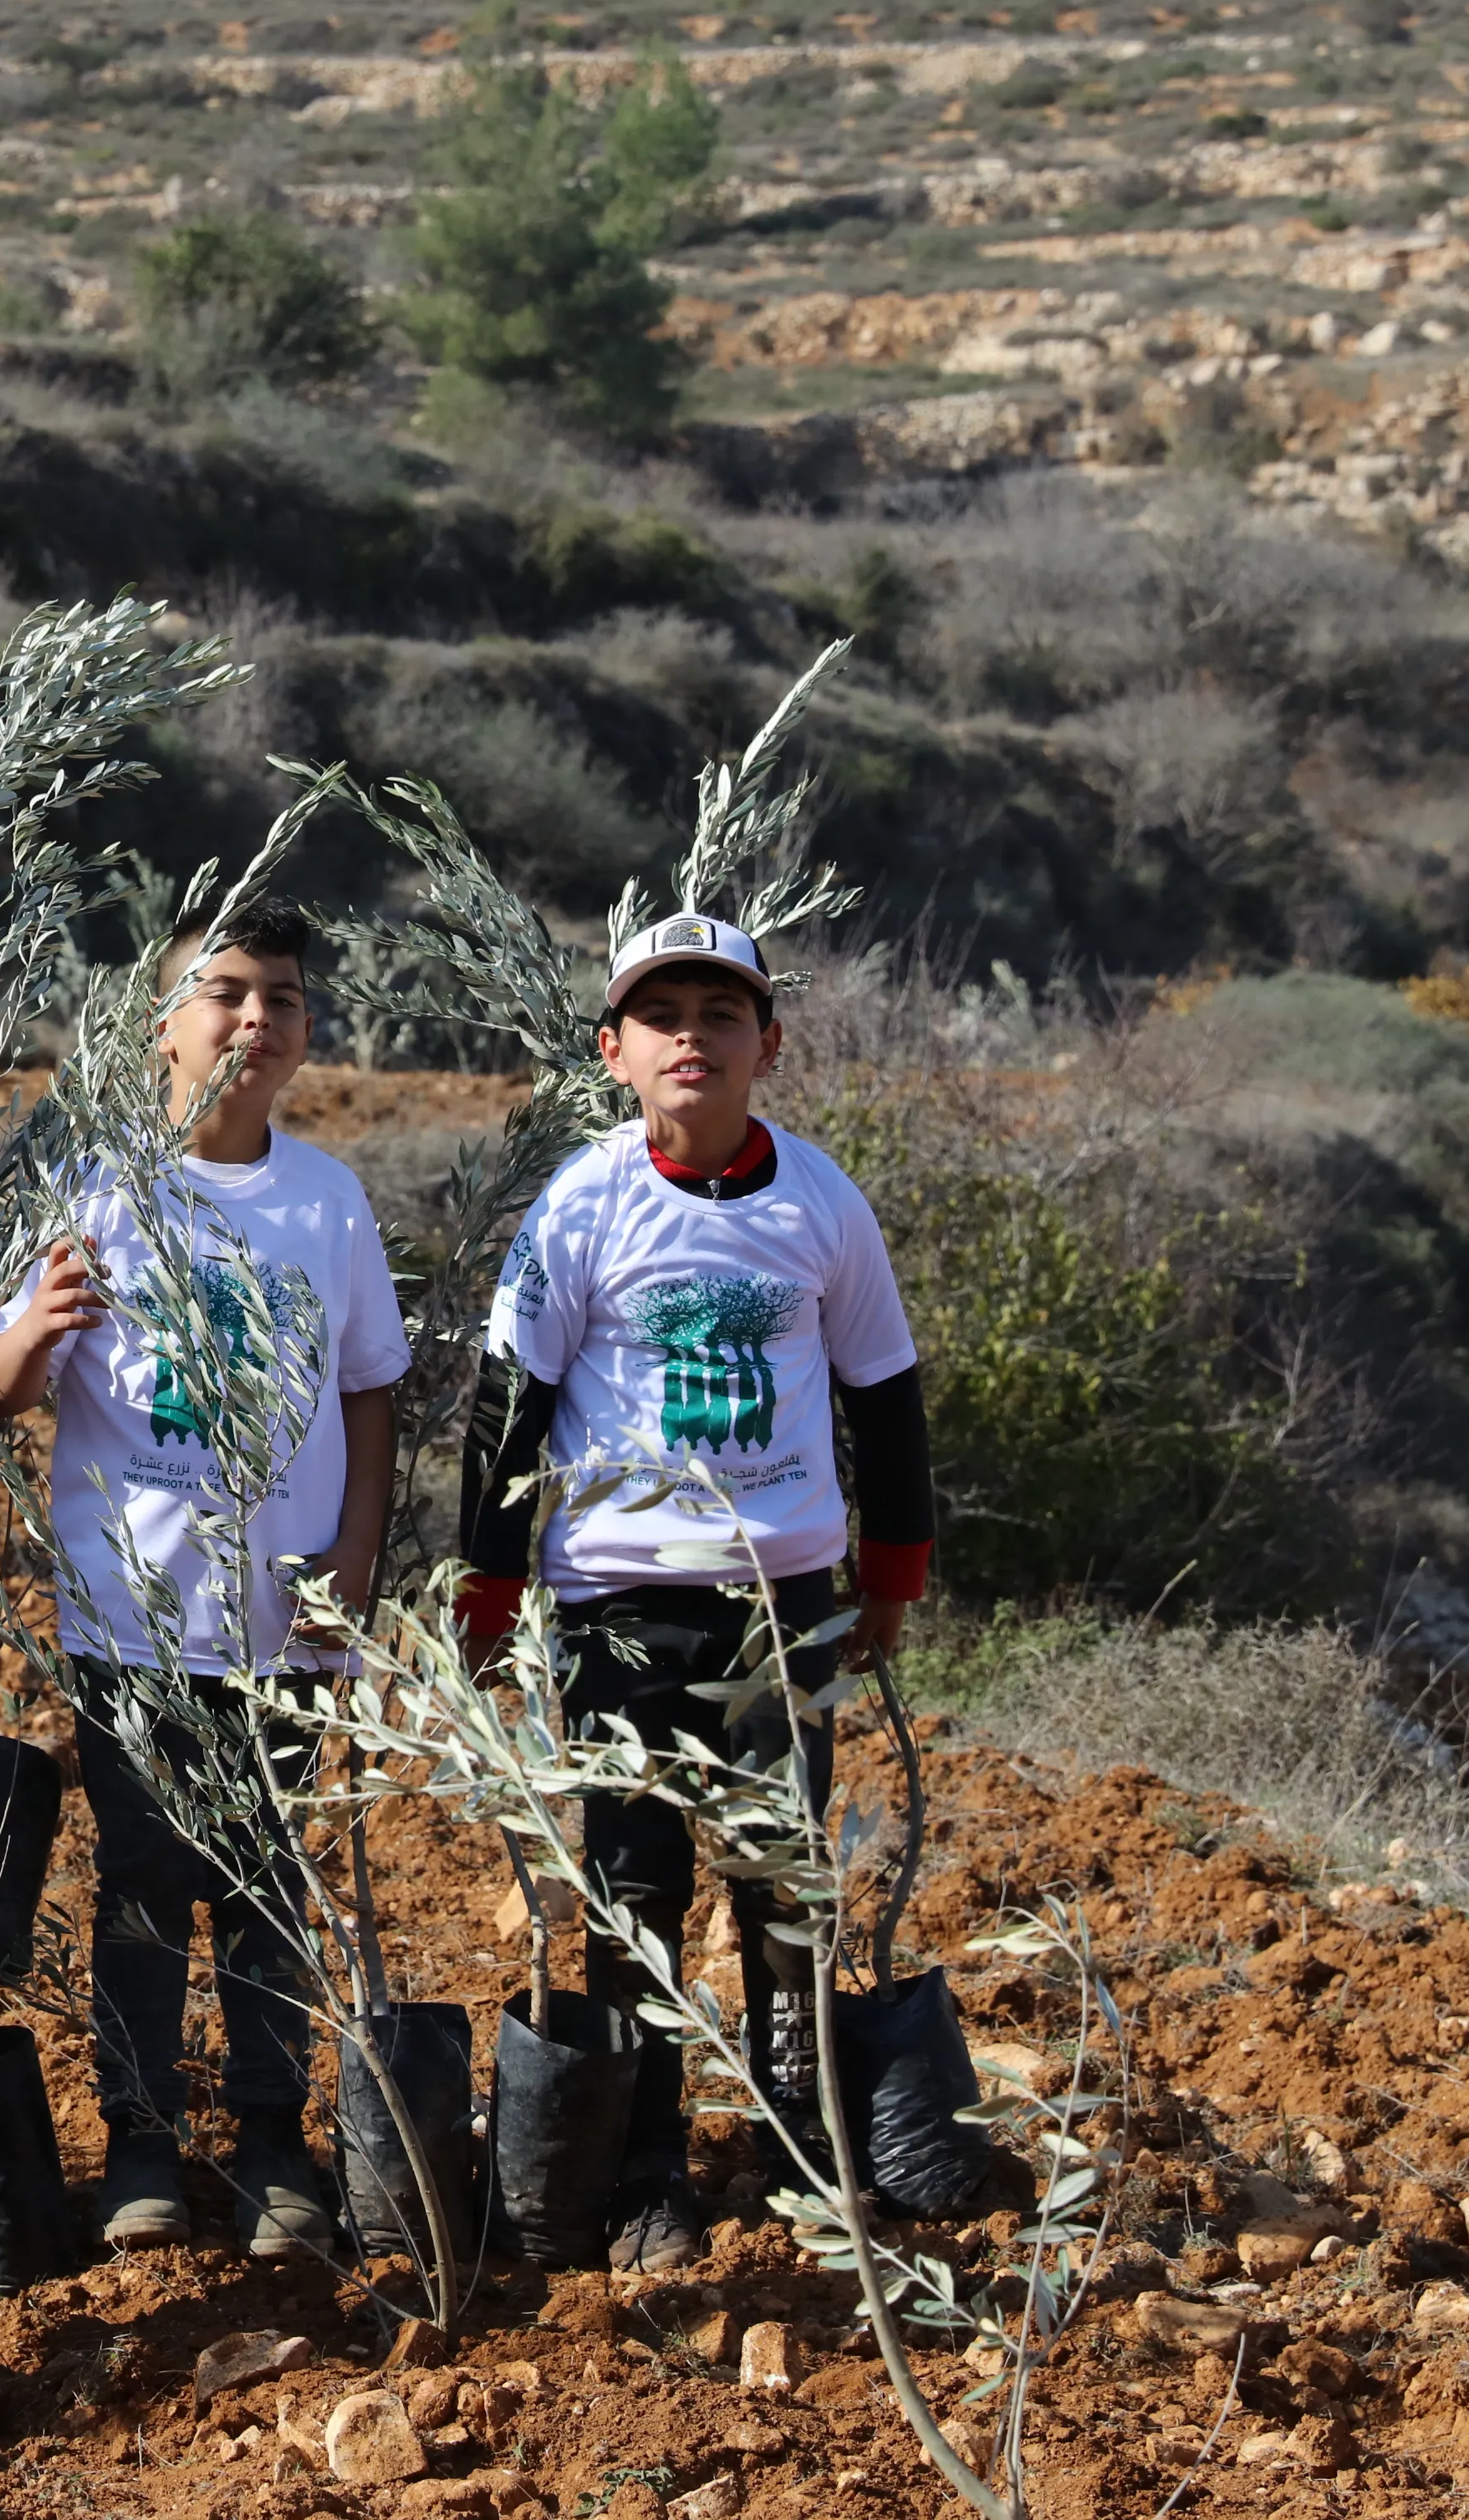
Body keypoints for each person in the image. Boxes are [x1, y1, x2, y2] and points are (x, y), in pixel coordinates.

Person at [457, 914, 933, 2273]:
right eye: (658, 1015)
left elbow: (885, 1401)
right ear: (612, 1052)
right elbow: (509, 1402)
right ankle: (646, 2166)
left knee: (782, 1884)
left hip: (783, 1605)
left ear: (764, 1046)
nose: (689, 1036)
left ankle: (796, 2144)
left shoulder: (820, 1203)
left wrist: (887, 1573)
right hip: (618, 1609)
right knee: (633, 1886)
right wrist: (487, 1594)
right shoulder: (578, 1205)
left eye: (718, 1014)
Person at [0, 899, 407, 2263]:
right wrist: (35, 1330)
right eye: (221, 991)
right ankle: (143, 2148)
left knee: (272, 1888)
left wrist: (350, 1572)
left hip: (284, 1625)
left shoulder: (324, 1199)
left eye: (278, 995)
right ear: (163, 1024)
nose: (250, 1018)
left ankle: (275, 2145)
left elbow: (371, 1395)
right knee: (146, 1889)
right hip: (132, 1622)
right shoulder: (92, 1188)